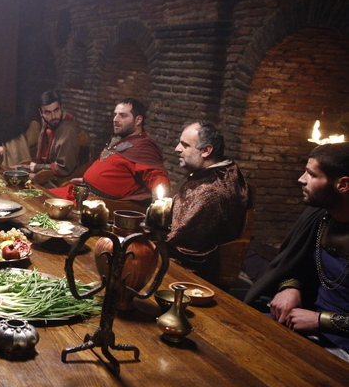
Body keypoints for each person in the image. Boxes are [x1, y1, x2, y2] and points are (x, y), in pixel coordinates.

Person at [245, 142, 349, 361]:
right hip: (304, 324)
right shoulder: (320, 218)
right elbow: (297, 265)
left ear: (343, 185)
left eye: (311, 174)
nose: (301, 179)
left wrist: (320, 320)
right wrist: (291, 287)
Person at [167, 121, 250, 282]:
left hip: (188, 275)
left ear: (206, 151)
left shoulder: (209, 190)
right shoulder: (226, 170)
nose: (177, 148)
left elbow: (181, 243)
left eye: (185, 145)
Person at [48, 98, 168, 203]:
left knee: (38, 204)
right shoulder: (123, 140)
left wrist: (160, 205)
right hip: (81, 192)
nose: (115, 119)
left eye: (123, 115)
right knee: (35, 195)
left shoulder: (144, 146)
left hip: (95, 204)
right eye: (115, 114)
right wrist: (87, 181)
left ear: (138, 120)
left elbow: (157, 177)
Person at [0, 90, 82, 180]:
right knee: (8, 171)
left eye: (56, 110)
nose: (54, 116)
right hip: (45, 170)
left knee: (15, 178)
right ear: (41, 113)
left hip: (57, 179)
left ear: (61, 107)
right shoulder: (47, 123)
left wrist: (37, 167)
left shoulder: (67, 129)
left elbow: (63, 168)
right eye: (48, 112)